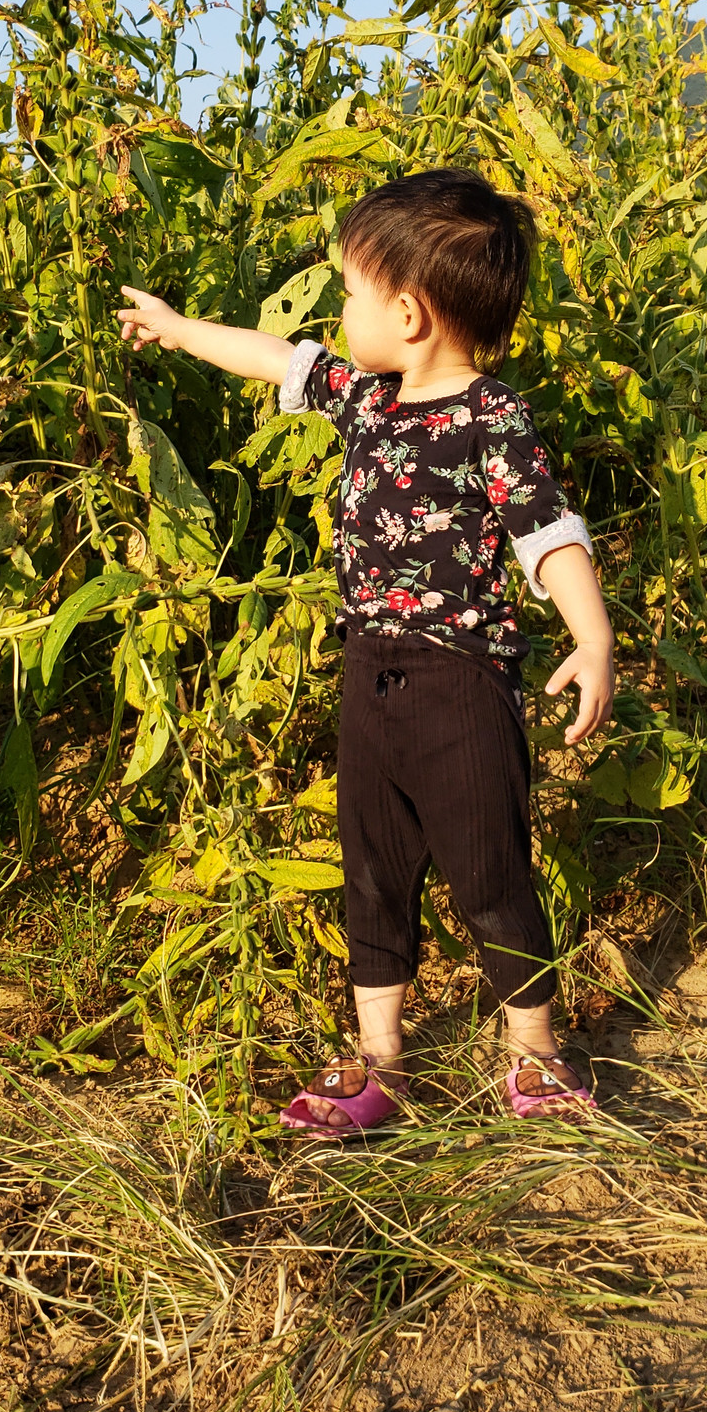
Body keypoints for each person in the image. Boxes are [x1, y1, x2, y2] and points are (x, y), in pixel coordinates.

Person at [117, 168, 614, 1133]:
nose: (335, 311)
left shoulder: (490, 422)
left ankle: (536, 1057)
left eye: (347, 292)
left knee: (490, 870)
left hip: (460, 685)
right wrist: (180, 330)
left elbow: (548, 532)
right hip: (368, 675)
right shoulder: (365, 397)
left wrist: (591, 636)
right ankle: (381, 1060)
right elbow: (271, 357)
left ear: (410, 313)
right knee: (373, 869)